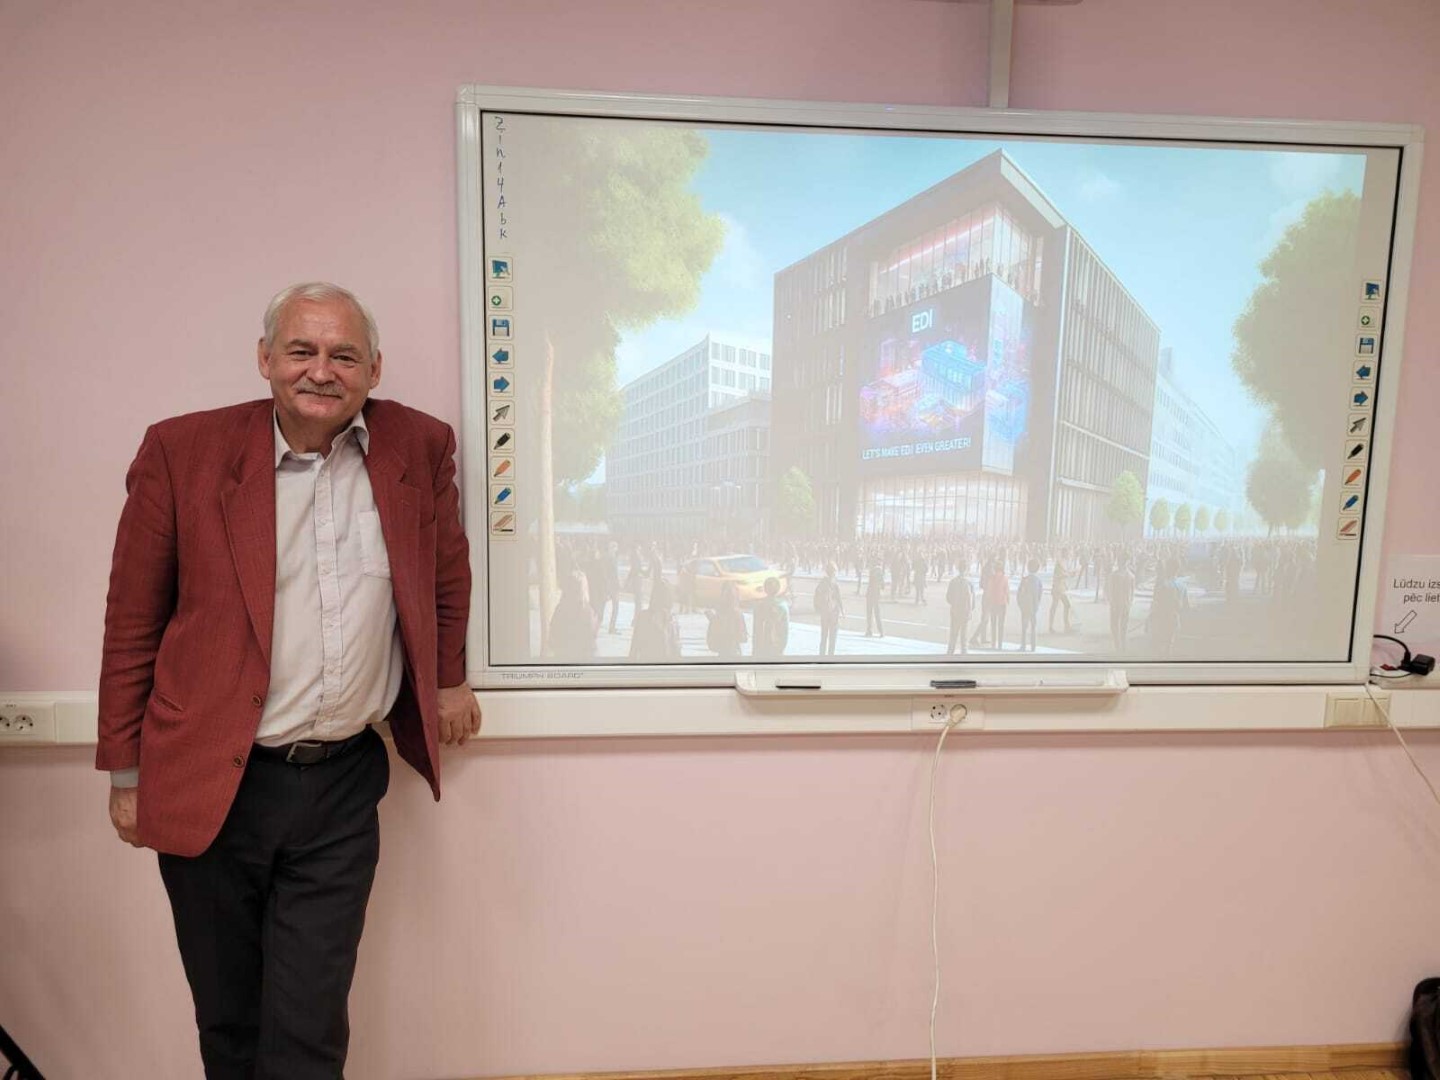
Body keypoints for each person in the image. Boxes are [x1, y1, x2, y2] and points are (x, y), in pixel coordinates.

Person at [96, 282, 481, 1079]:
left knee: (309, 1027)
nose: (321, 371)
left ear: (375, 369)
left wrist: (449, 679)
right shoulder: (182, 452)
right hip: (213, 780)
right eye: (302, 351)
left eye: (344, 355)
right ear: (265, 358)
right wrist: (127, 775)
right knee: (230, 1021)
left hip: (341, 785)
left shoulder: (419, 446)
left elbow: (445, 576)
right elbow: (132, 621)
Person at [705, 581, 748, 659]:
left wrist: (714, 621)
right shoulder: (722, 614)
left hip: (731, 652)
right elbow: (743, 637)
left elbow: (742, 637)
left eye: (731, 596)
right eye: (728, 596)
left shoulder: (735, 614)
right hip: (729, 652)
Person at [751, 576, 791, 659]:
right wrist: (781, 647)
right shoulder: (783, 606)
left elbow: (756, 629)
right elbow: (785, 630)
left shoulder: (759, 606)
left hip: (762, 645)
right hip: (776, 645)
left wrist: (755, 649)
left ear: (765, 589)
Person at [813, 562, 844, 656]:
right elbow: (839, 598)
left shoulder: (822, 583)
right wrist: (842, 610)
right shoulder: (834, 583)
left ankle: (822, 656)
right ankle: (830, 656)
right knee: (832, 637)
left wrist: (817, 608)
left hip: (825, 613)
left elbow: (816, 596)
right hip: (833, 613)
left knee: (824, 636)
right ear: (833, 572)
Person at [1108, 557, 1136, 653]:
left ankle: (1119, 645)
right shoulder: (1130, 576)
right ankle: (1121, 644)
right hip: (1123, 603)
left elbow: (1110, 590)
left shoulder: (1115, 576)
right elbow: (1132, 592)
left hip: (1119, 603)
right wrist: (1130, 602)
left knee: (1117, 625)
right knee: (1121, 625)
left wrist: (1111, 601)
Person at [1017, 558, 1043, 652]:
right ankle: (1033, 646)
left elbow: (1019, 594)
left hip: (1025, 606)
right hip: (1034, 606)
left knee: (1024, 627)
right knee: (1033, 627)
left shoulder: (1025, 580)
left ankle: (1023, 645)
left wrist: (1020, 604)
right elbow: (1040, 594)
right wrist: (1037, 604)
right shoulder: (1038, 581)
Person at [945, 571, 974, 655]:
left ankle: (950, 655)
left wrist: (954, 603)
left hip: (955, 611)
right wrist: (970, 610)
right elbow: (973, 601)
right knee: (964, 637)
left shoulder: (953, 582)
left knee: (953, 636)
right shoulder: (969, 583)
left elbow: (948, 597)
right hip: (966, 612)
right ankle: (964, 655)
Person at [864, 560, 886, 638]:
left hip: (871, 593)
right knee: (876, 613)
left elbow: (871, 583)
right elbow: (883, 585)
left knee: (870, 613)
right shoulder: (879, 571)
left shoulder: (874, 571)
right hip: (876, 593)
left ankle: (870, 630)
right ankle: (880, 631)